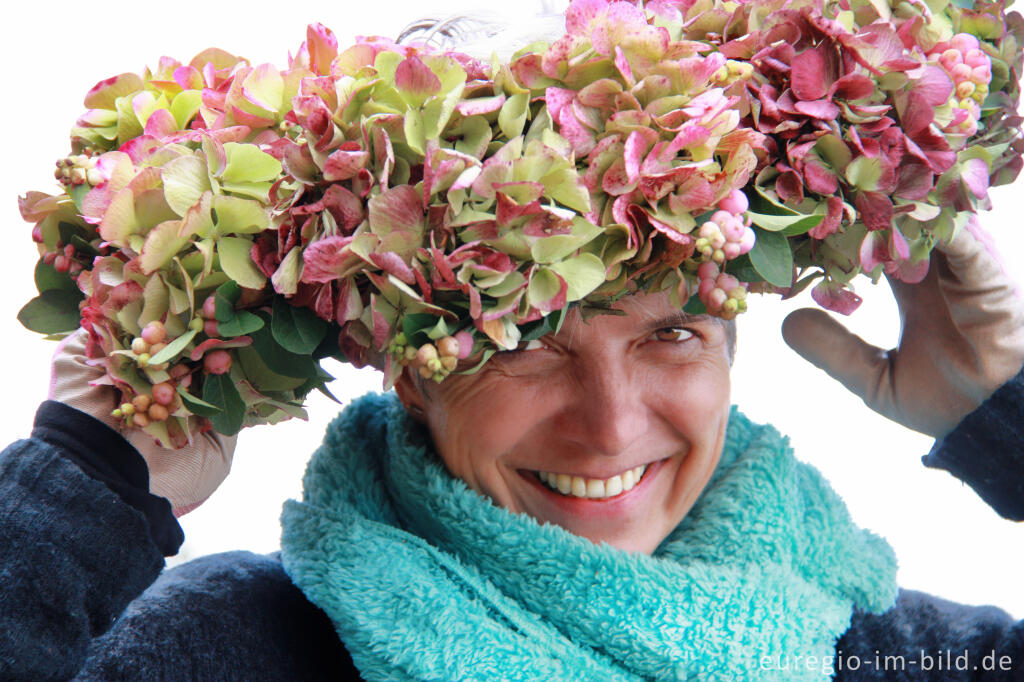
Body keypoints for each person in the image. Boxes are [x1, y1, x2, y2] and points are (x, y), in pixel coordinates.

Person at [3, 11, 1024, 682]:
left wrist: (1009, 418)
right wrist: (89, 479)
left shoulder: (894, 654)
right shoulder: (230, 648)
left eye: (671, 332)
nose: (611, 425)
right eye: (519, 341)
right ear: (403, 367)